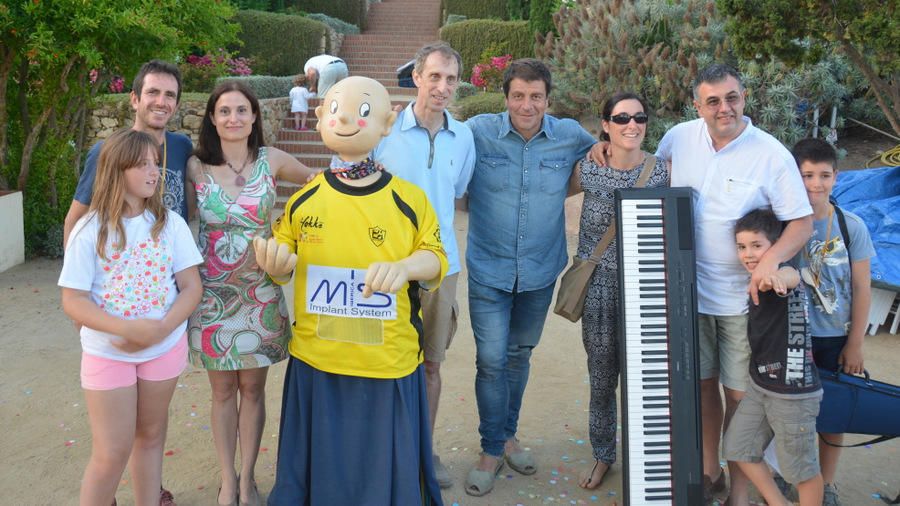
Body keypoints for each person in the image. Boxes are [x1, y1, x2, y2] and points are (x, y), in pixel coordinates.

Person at [260, 76, 448, 505]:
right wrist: (276, 265)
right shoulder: (303, 199)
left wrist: (405, 267)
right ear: (320, 119)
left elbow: (435, 258)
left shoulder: (408, 198)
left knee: (381, 471)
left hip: (386, 360)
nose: (345, 117)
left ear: (386, 123)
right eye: (334, 108)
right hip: (318, 359)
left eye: (363, 110)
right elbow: (283, 258)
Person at [654, 64, 813, 505]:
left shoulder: (771, 154)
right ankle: (711, 472)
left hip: (747, 301)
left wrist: (772, 261)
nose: (724, 108)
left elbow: (801, 222)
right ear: (696, 105)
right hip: (688, 295)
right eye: (713, 101)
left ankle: (741, 491)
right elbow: (652, 173)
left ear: (744, 97)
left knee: (742, 399)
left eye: (732, 98)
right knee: (702, 386)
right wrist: (606, 150)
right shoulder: (679, 138)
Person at [463, 58, 597, 497]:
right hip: (489, 268)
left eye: (535, 96)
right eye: (518, 95)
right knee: (492, 360)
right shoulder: (477, 132)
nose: (527, 104)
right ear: (506, 98)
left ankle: (508, 437)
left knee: (519, 357)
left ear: (547, 99)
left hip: (540, 270)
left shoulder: (569, 136)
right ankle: (489, 449)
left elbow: (598, 160)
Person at [185, 81, 316, 506]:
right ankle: (228, 479)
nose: (234, 118)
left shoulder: (272, 160)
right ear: (212, 118)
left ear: (255, 116)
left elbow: (318, 185)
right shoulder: (195, 168)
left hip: (260, 296)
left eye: (242, 110)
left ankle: (248, 480)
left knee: (253, 392)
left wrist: (298, 238)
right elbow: (174, 221)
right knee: (222, 392)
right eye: (224, 111)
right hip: (212, 296)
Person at [58, 128, 203, 506]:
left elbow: (191, 287)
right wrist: (127, 329)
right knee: (111, 452)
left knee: (151, 437)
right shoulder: (89, 230)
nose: (154, 172)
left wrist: (160, 330)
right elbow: (73, 299)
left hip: (164, 349)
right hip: (108, 353)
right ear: (116, 169)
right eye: (142, 165)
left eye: (156, 163)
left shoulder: (170, 224)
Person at [371, 41, 476, 489]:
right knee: (381, 364)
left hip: (440, 266)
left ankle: (421, 453)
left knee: (431, 365)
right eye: (434, 76)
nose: (443, 87)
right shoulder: (385, 128)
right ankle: (381, 451)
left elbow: (458, 189)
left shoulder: (464, 135)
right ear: (416, 77)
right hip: (386, 267)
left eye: (451, 78)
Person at [569, 92, 669, 489]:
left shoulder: (662, 172)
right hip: (598, 289)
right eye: (621, 117)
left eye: (639, 117)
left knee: (646, 378)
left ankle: (645, 456)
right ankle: (602, 454)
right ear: (606, 124)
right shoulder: (587, 168)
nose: (632, 124)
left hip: (646, 289)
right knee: (601, 376)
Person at [792, 138, 874, 505]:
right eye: (807, 175)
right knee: (790, 418)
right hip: (793, 339)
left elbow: (862, 287)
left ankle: (826, 484)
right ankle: (791, 479)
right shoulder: (783, 225)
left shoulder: (850, 226)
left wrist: (855, 343)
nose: (816, 184)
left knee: (832, 417)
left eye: (824, 175)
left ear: (836, 177)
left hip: (834, 338)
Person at [723, 208, 823, 506]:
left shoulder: (781, 275)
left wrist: (774, 276)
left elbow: (790, 276)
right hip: (761, 386)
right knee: (737, 447)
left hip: (793, 394)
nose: (748, 254)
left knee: (802, 472)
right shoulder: (755, 279)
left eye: (757, 245)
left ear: (776, 247)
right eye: (742, 246)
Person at [65, 60, 193, 251]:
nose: (161, 102)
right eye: (152, 92)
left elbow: (188, 209)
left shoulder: (182, 146)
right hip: (118, 269)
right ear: (134, 99)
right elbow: (76, 219)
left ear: (176, 105)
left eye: (170, 95)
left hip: (171, 271)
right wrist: (73, 276)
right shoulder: (107, 151)